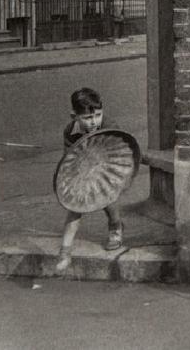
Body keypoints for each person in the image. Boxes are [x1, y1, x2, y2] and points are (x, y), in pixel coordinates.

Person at [56, 87, 125, 272]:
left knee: (106, 195)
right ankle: (65, 251)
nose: (94, 122)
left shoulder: (110, 126)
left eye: (97, 116)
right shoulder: (70, 132)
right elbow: (69, 158)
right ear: (74, 116)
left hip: (108, 166)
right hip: (84, 167)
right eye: (87, 118)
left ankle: (115, 225)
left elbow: (118, 152)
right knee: (75, 205)